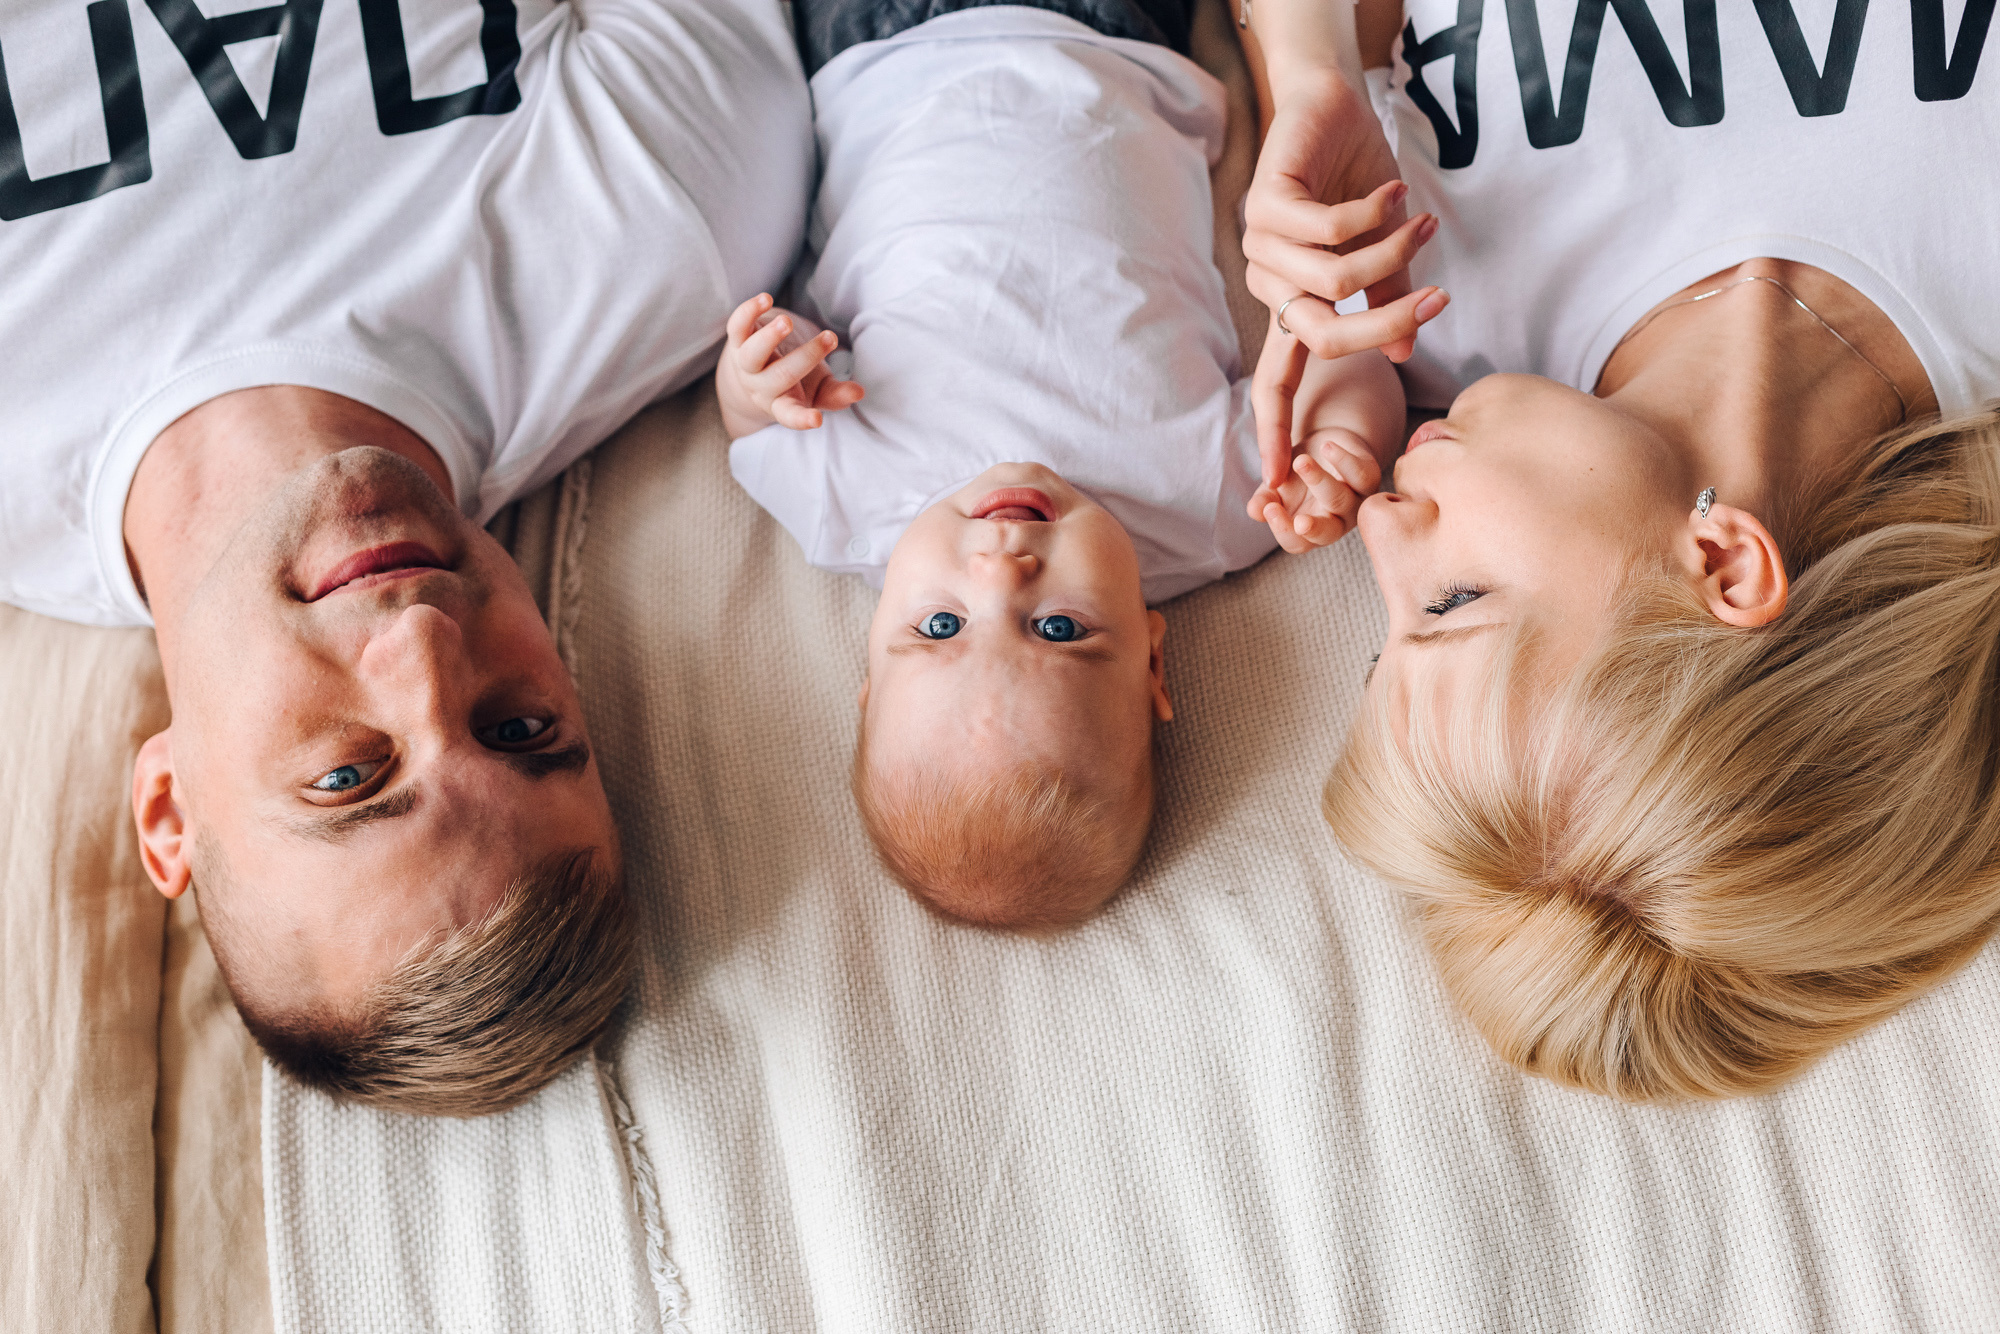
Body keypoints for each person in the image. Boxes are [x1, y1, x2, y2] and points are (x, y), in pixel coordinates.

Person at [0, 0, 813, 1114]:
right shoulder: (661, 224)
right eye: (521, 727)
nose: (424, 643)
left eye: (348, 775)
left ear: (167, 809)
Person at [1234, 0, 2000, 1098]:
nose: (1378, 527)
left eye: (1379, 640)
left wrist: (1312, 77)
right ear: (1722, 565)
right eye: (1450, 602)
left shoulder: (1423, 311)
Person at [715, 0, 1444, 928]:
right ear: (1149, 656)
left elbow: (749, 425)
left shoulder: (847, 506)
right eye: (1057, 630)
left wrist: (760, 375)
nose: (999, 566)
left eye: (938, 625)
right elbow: (1340, 351)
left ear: (869, 669)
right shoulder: (1217, 509)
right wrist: (1346, 440)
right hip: (1118, 35)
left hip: (884, 47)